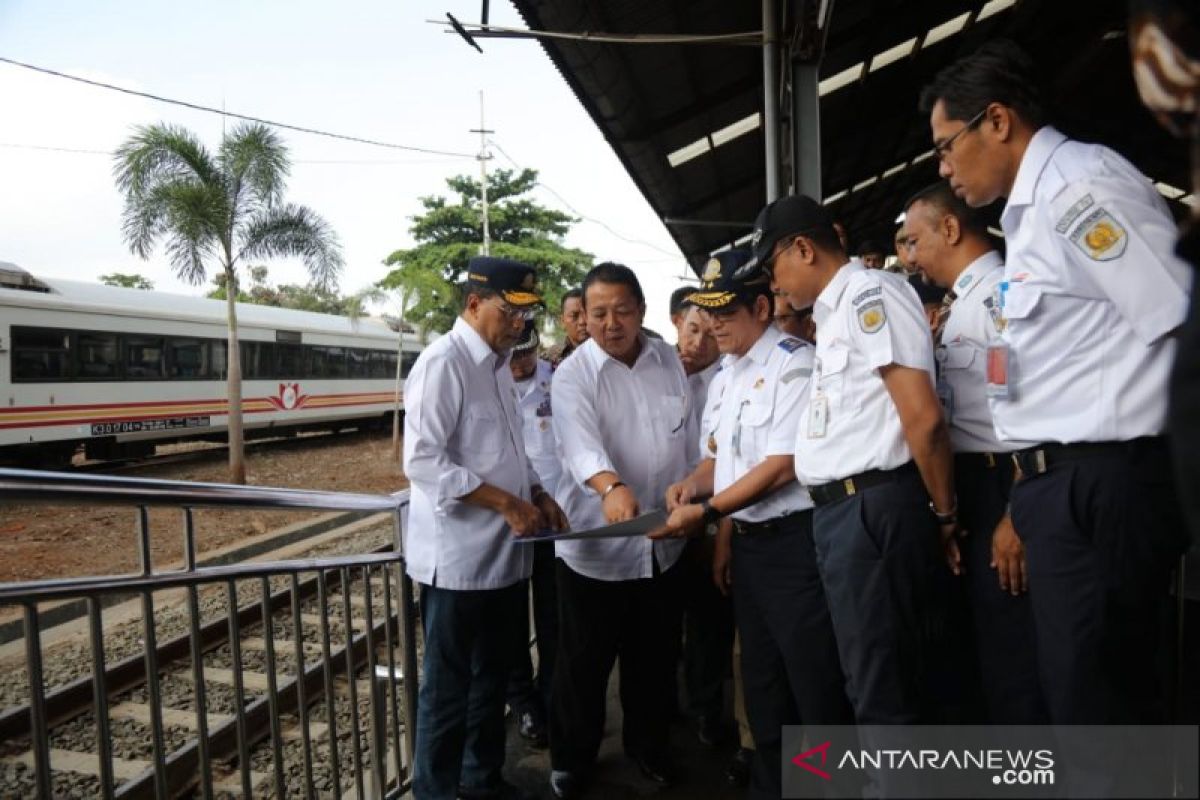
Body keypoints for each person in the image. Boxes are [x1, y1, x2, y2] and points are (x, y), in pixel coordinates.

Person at [921, 38, 1191, 730]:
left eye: (948, 145)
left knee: (1104, 704)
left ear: (999, 121)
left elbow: (1176, 318)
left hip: (1104, 481)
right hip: (1055, 485)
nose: (944, 166)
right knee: (1075, 697)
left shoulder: (1079, 188)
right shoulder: (1030, 216)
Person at [748, 195, 958, 736]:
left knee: (884, 688)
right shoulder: (833, 315)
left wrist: (943, 513)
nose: (775, 286)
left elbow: (923, 418)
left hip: (872, 509)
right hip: (846, 515)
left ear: (802, 248)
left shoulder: (870, 294)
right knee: (868, 680)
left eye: (773, 270)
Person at [654, 248, 853, 800]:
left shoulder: (794, 365)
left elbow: (782, 465)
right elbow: (725, 458)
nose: (713, 324)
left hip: (794, 546)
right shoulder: (727, 376)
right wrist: (693, 485)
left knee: (813, 683)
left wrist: (710, 510)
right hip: (749, 545)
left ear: (761, 307)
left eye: (725, 312)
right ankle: (772, 785)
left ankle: (823, 787)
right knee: (763, 684)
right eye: (707, 313)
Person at [403, 257, 568, 800]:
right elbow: (423, 461)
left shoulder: (497, 366)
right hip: (456, 562)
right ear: (474, 305)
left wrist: (538, 494)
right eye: (510, 312)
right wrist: (504, 502)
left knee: (491, 678)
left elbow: (515, 452)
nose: (520, 326)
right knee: (447, 690)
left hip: (504, 556)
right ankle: (435, 792)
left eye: (526, 315)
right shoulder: (443, 364)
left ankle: (481, 779)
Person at [548, 262, 695, 798]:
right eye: (599, 313)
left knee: (653, 662)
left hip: (663, 546)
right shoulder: (572, 376)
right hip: (597, 553)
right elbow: (579, 443)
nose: (611, 323)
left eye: (622, 311)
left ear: (641, 312)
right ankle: (571, 759)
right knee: (583, 667)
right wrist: (611, 487)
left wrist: (693, 490)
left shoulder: (667, 363)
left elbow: (690, 438)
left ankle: (648, 748)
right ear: (583, 318)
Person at [904, 181, 1048, 724]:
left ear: (950, 228)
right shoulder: (963, 304)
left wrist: (1016, 513)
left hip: (1002, 485)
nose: (911, 257)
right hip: (970, 485)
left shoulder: (1002, 298)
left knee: (1012, 652)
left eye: (915, 241)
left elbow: (1028, 411)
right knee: (979, 646)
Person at [675, 264, 733, 748]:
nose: (696, 342)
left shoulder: (728, 380)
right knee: (689, 619)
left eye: (707, 332)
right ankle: (694, 705)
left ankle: (712, 715)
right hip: (681, 515)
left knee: (714, 622)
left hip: (721, 514)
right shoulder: (672, 378)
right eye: (691, 329)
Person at [504, 322, 561, 748]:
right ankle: (522, 702)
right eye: (514, 355)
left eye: (527, 354)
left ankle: (549, 698)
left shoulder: (556, 381)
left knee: (552, 616)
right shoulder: (490, 382)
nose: (520, 363)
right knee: (510, 622)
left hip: (552, 517)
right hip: (507, 520)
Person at [542, 288, 588, 369]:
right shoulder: (548, 359)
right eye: (574, 316)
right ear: (562, 321)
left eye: (586, 314)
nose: (582, 322)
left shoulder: (609, 353)